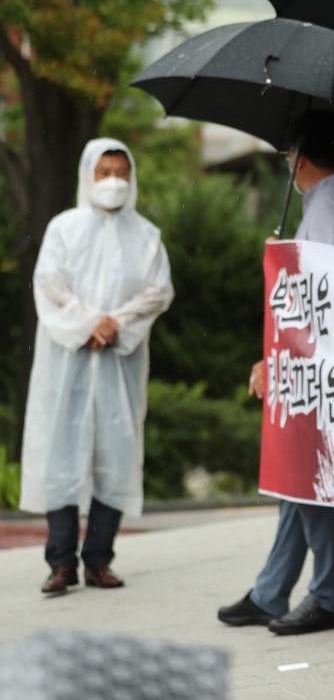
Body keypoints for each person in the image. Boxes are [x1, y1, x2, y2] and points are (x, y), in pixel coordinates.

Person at [217, 110, 334, 635]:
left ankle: (329, 595)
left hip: (316, 368)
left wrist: (277, 360)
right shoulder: (331, 200)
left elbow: (316, 298)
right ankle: (271, 591)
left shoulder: (328, 205)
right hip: (314, 363)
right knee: (295, 481)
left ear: (299, 158)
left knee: (313, 477)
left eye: (287, 155)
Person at [22, 138, 174, 595]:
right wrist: (89, 323)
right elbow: (49, 285)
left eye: (120, 173)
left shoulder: (146, 235)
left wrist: (115, 325)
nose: (113, 182)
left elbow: (158, 291)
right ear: (88, 175)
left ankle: (99, 559)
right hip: (68, 359)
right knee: (61, 453)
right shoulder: (64, 229)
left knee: (116, 455)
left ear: (132, 177)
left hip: (117, 361)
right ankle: (61, 562)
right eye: (104, 172)